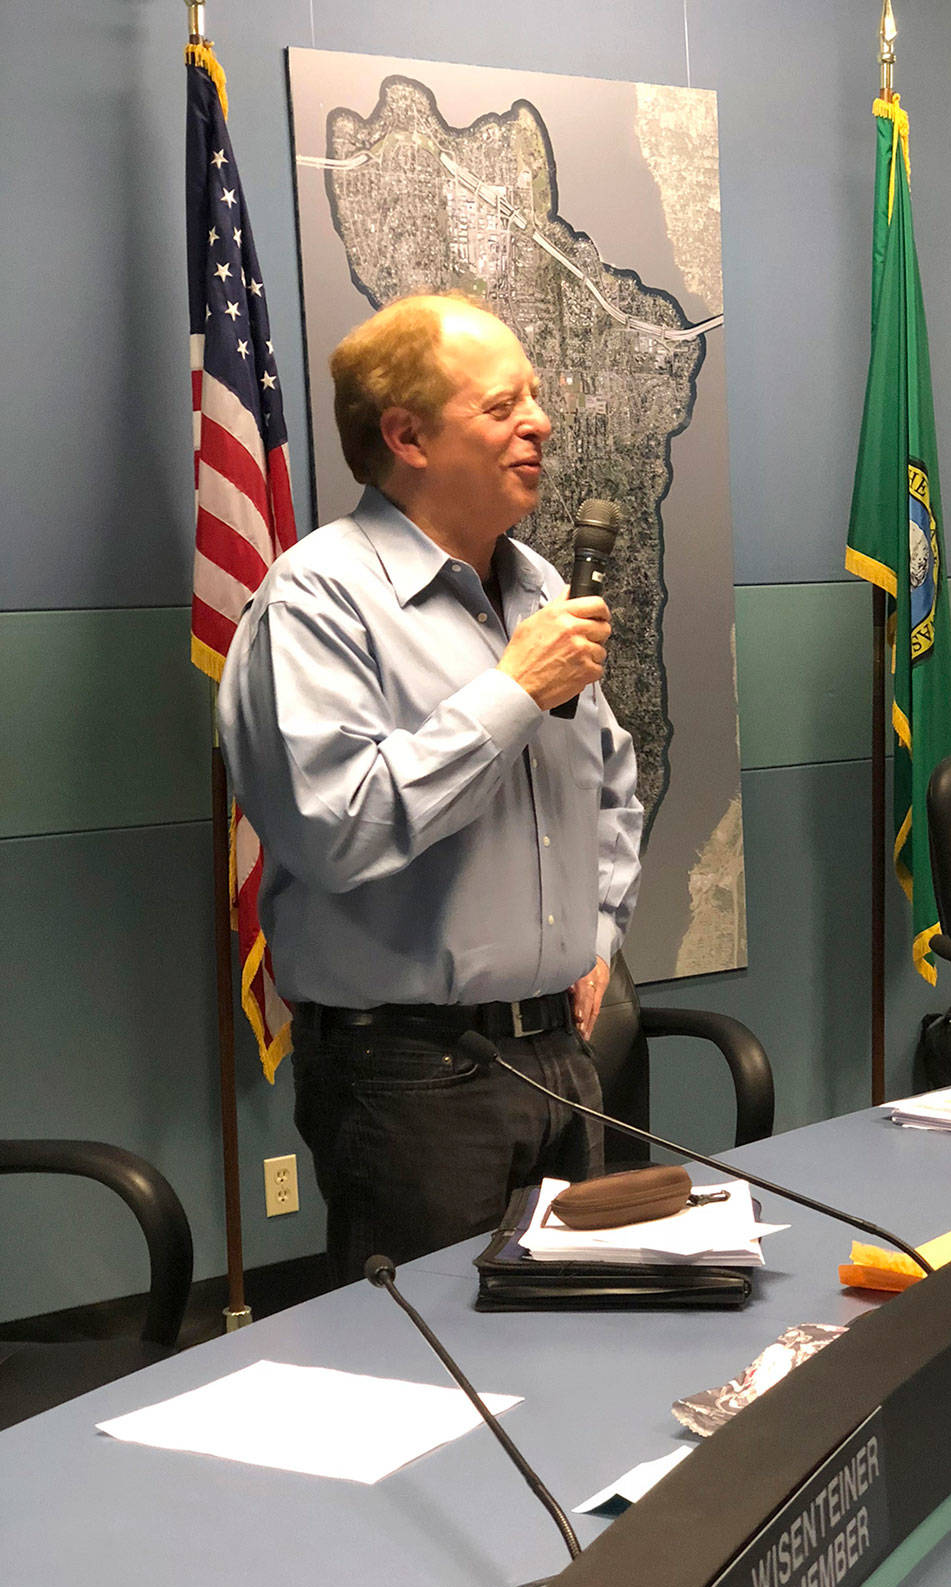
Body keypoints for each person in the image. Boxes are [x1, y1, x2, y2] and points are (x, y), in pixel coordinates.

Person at [218, 293, 644, 1284]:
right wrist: (507, 694)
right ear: (405, 435)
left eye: (535, 398)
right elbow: (334, 831)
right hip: (410, 1076)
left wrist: (597, 930)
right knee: (433, 1382)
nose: (538, 422)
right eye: (502, 407)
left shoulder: (536, 586)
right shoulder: (317, 599)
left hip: (559, 1058)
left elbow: (610, 782)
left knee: (583, 1342)